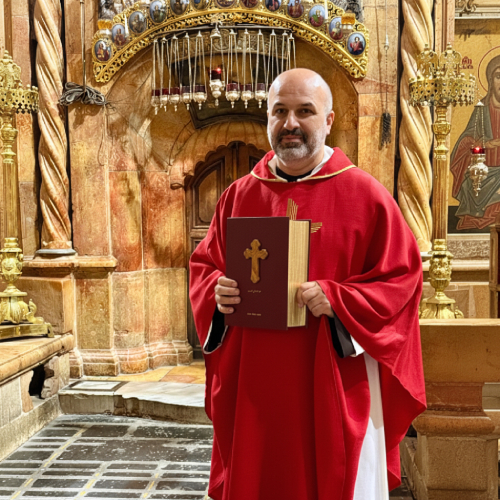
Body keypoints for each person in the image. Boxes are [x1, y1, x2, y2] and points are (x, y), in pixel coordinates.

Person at [189, 68, 426, 500]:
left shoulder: (366, 195)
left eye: (305, 111)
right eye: (279, 111)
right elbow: (205, 266)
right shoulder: (240, 195)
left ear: (329, 120)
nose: (290, 123)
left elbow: (401, 280)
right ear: (267, 118)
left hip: (333, 377)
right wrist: (216, 291)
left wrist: (339, 299)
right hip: (255, 383)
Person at [450, 54, 500, 230]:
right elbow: (465, 141)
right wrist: (486, 144)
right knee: (472, 183)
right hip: (483, 172)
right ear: (490, 80)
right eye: (498, 76)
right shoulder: (481, 109)